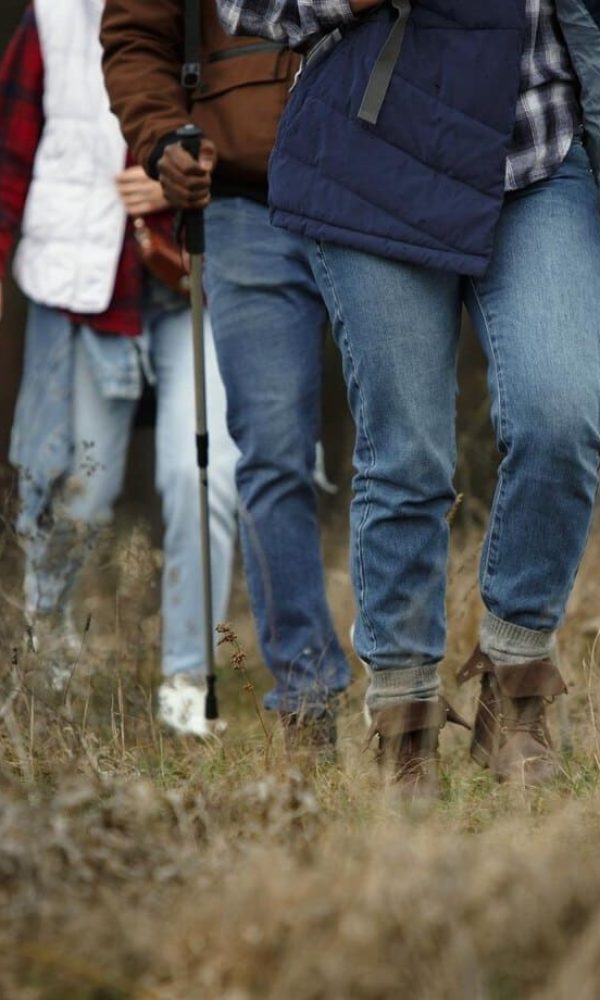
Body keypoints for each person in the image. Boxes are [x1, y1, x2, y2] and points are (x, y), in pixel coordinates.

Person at [214, 0, 600, 791]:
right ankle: (405, 729)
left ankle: (516, 685)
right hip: (373, 147)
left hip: (537, 141)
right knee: (407, 453)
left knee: (562, 412)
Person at [101, 0, 351, 760]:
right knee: (270, 453)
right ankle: (306, 703)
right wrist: (162, 138)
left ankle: (407, 683)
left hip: (373, 182)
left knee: (400, 446)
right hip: (242, 198)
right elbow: (135, 38)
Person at [0, 0, 239, 737]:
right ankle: (49, 669)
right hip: (79, 290)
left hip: (195, 283)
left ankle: (187, 686)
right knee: (73, 490)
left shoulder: (228, 13)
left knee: (204, 476)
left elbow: (266, 135)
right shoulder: (48, 22)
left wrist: (193, 177)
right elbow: (8, 163)